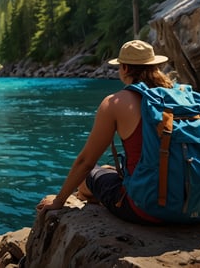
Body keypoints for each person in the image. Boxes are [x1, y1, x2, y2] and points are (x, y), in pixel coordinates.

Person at [36, 39, 174, 224]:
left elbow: (85, 162)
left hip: (148, 209)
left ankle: (82, 199)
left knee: (92, 173)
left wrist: (59, 201)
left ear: (124, 68)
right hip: (199, 202)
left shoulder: (115, 103)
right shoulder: (180, 96)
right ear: (156, 66)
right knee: (110, 170)